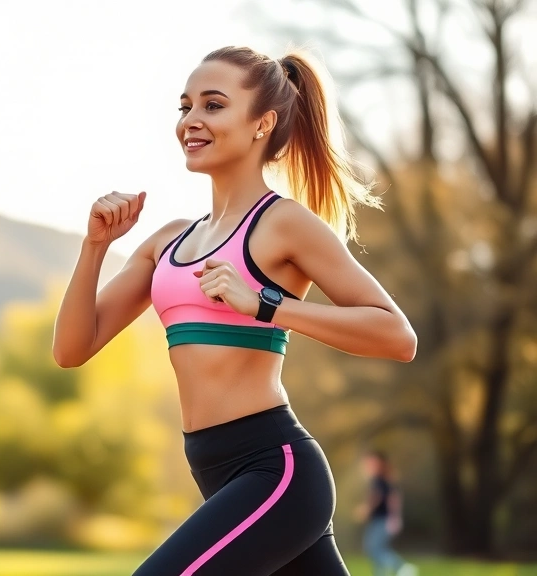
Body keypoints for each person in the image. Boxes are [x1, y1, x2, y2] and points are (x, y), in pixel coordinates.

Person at [52, 45, 417, 576]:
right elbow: (71, 349)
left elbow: (396, 335)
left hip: (276, 468)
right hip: (214, 469)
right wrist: (94, 248)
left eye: (213, 105)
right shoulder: (167, 242)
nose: (191, 121)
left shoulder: (284, 224)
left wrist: (267, 305)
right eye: (186, 106)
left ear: (262, 123)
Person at [357, 451, 418, 576]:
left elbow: (381, 498)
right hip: (380, 519)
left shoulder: (379, 481)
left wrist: (366, 510)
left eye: (371, 463)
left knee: (374, 549)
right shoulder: (384, 480)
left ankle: (402, 567)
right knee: (376, 549)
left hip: (382, 520)